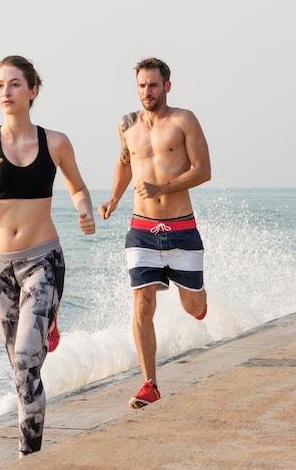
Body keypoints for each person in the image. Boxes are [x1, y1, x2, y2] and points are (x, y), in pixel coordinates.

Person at [0, 55, 95, 457]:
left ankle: (28, 456)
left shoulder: (55, 142)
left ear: (33, 91)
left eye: (15, 84)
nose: (6, 92)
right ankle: (48, 324)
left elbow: (78, 188)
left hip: (42, 260)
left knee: (26, 360)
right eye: (0, 85)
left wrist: (84, 211)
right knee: (20, 367)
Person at [98, 57, 211, 409]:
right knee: (143, 304)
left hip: (180, 229)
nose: (147, 91)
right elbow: (125, 161)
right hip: (142, 230)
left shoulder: (184, 120)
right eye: (142, 85)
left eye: (153, 85)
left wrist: (161, 187)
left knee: (192, 305)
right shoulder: (127, 124)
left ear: (167, 86)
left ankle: (199, 303)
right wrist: (114, 199)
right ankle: (150, 384)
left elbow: (204, 170)